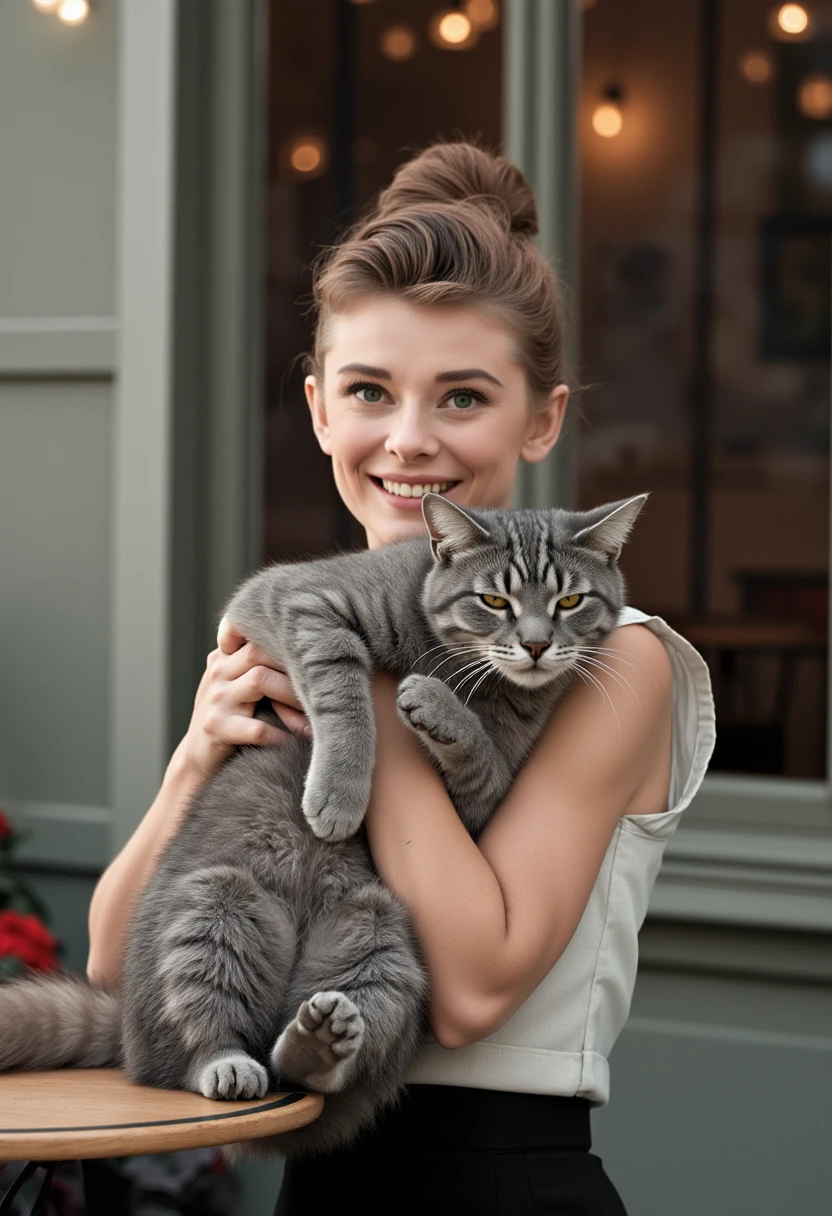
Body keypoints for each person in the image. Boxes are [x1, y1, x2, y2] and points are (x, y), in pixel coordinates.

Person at [87, 141, 716, 1215]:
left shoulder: (621, 660)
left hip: (501, 1181)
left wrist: (360, 688)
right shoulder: (306, 626)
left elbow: (474, 990)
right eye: (370, 389)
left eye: (462, 397)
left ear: (542, 418)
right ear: (321, 408)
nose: (409, 440)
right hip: (316, 1180)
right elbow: (113, 964)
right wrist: (197, 758)